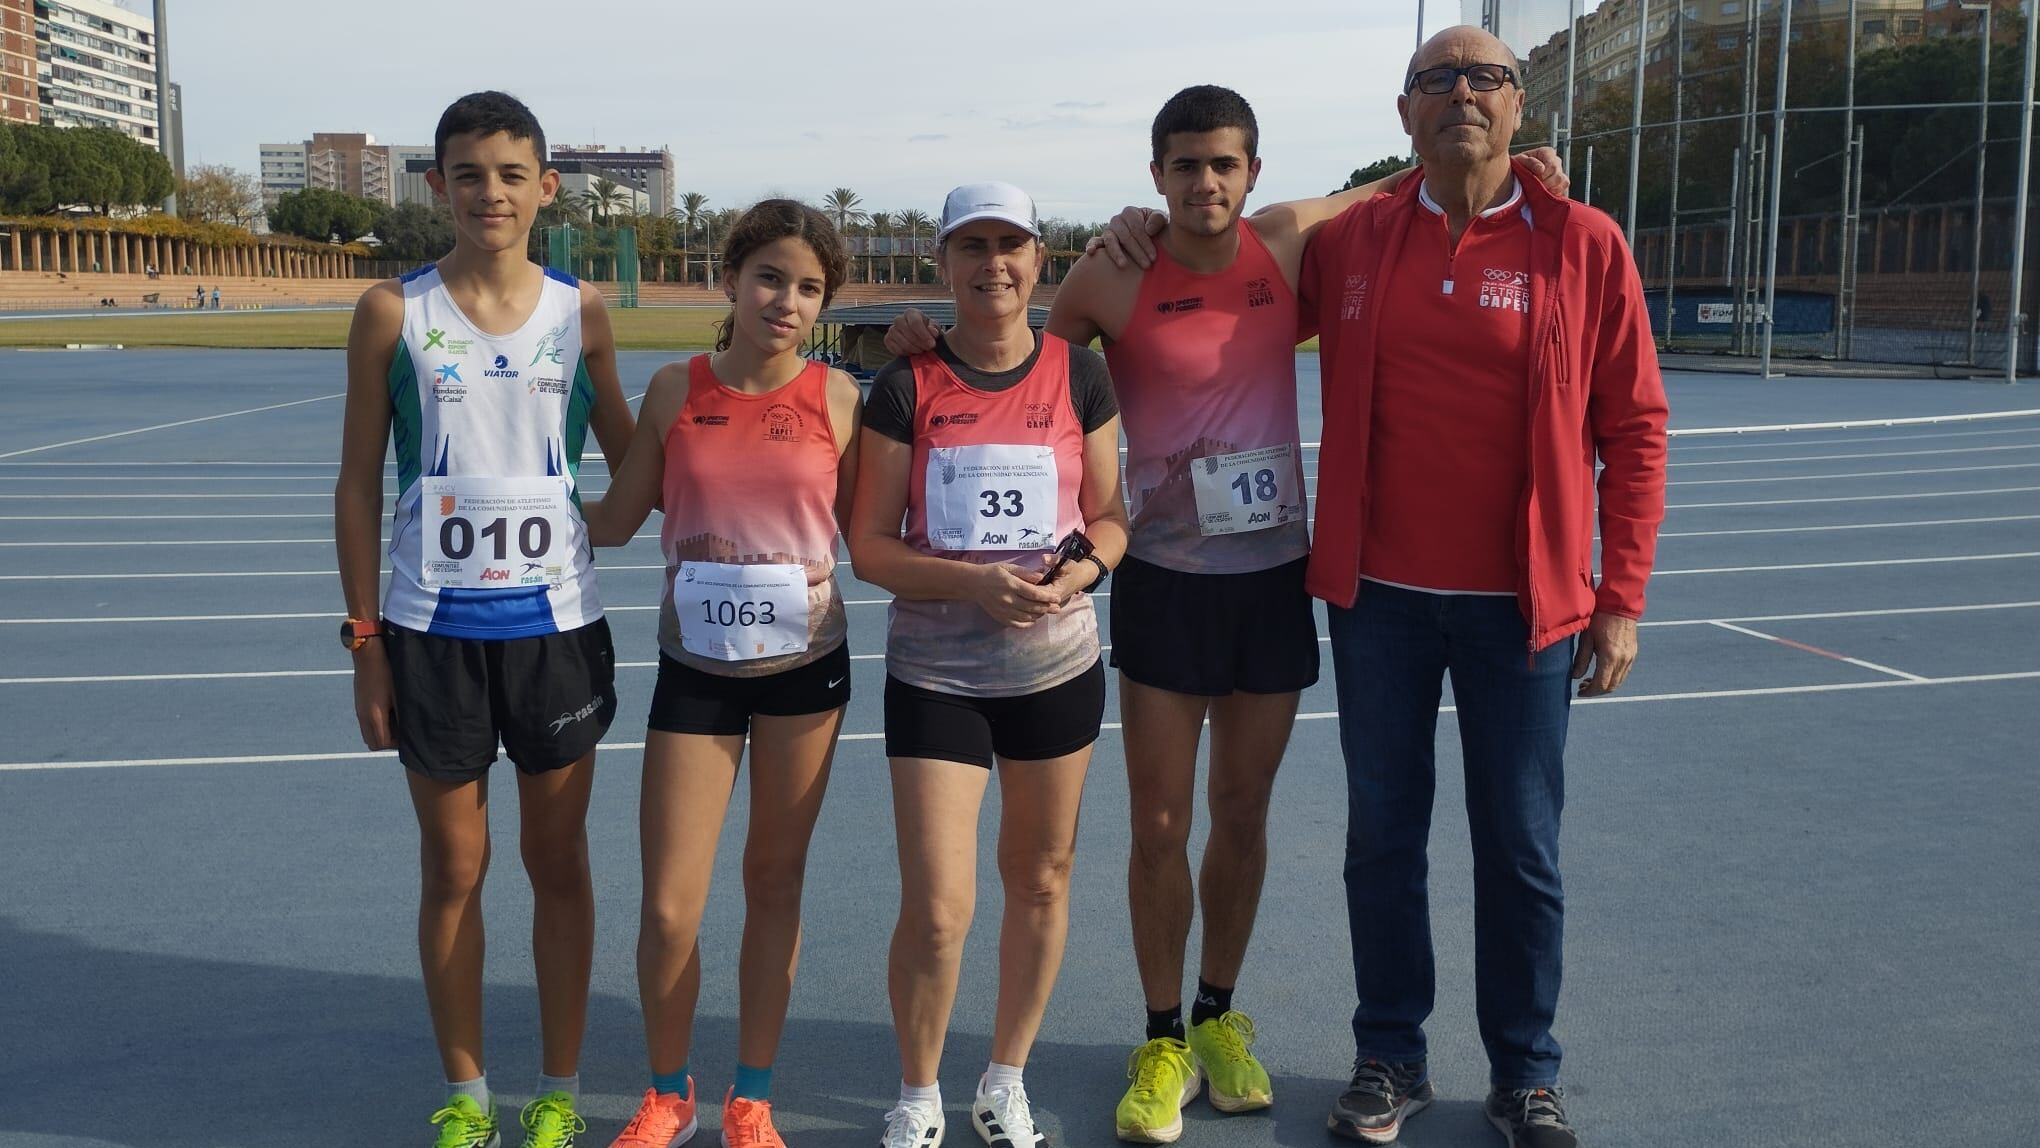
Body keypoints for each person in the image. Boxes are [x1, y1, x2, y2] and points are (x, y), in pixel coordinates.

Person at [887, 90, 1568, 1144]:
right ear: (1154, 175)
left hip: (1271, 578)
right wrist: (921, 344)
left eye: (1224, 165)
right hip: (1162, 575)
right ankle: (1159, 1033)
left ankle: (1216, 1014)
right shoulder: (1111, 272)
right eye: (1185, 166)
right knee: (1160, 820)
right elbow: (1022, 366)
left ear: (1251, 171)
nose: (1205, 183)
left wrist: (1523, 163)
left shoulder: (1290, 243)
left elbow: (1401, 181)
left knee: (1241, 813)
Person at [1299, 28, 1668, 1148]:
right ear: (1403, 111)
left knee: (1520, 843)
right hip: (1378, 599)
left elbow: (1635, 426)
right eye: (1438, 81)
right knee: (1382, 834)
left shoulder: (1583, 244)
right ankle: (1390, 1054)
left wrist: (1622, 593)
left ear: (1521, 107)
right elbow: (1227, 272)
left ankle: (1526, 1072)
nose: (1464, 93)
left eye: (1488, 80)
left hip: (1527, 607)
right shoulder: (1357, 238)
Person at [335, 90, 635, 1148]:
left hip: (555, 631)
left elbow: (630, 472)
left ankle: (558, 1085)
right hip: (430, 632)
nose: (490, 191)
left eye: (512, 173)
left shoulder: (581, 311)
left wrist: (720, 393)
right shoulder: (392, 312)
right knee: (454, 866)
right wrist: (365, 640)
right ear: (438, 187)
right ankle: (466, 1093)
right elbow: (356, 484)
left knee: (558, 862)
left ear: (547, 187)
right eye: (468, 173)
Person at [849, 181, 1131, 1148]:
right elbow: (870, 548)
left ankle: (1004, 1078)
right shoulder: (906, 384)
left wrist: (1082, 574)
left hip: (1056, 665)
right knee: (936, 908)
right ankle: (918, 1093)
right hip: (938, 674)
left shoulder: (1078, 374)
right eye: (972, 246)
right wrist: (969, 587)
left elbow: (1110, 518)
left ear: (1038, 259)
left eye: (1010, 243)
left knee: (1042, 879)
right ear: (943, 264)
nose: (993, 263)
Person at [580, 200, 863, 1148]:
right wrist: (500, 494)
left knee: (774, 883)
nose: (787, 300)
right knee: (669, 906)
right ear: (731, 280)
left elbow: (875, 532)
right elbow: (615, 521)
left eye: (810, 287)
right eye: (771, 277)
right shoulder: (674, 389)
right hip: (694, 672)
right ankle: (668, 1093)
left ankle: (751, 1097)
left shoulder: (838, 399)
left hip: (805, 669)